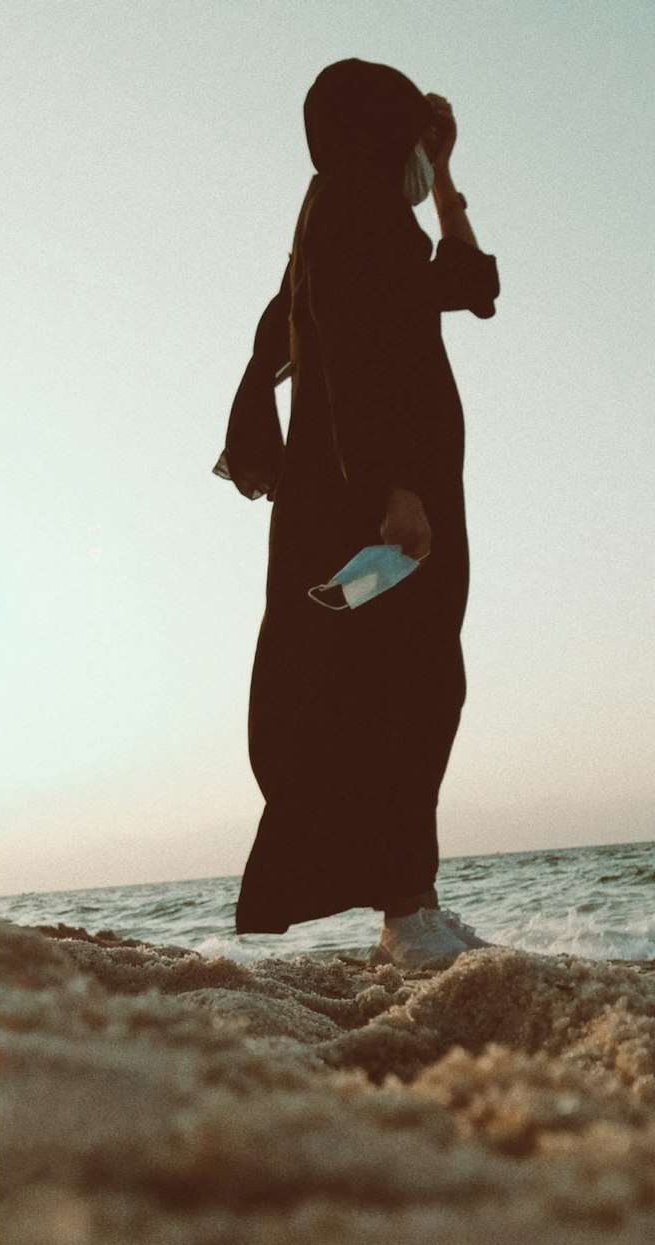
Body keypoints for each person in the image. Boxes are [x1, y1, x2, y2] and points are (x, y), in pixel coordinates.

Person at [216, 58, 500, 967]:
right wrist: (392, 486)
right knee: (396, 693)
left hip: (391, 492)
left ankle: (409, 900)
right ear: (378, 137)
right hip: (374, 501)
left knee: (417, 688)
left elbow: (474, 285)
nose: (422, 162)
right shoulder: (348, 211)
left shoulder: (373, 220)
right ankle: (406, 917)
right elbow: (341, 353)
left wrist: (445, 173)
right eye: (413, 141)